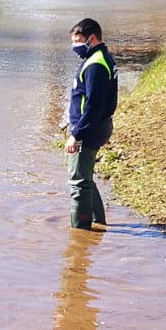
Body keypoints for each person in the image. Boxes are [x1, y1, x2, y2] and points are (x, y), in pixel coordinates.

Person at [65, 17, 117, 230]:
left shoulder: (96, 64)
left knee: (78, 182)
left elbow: (93, 106)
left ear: (92, 38)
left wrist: (76, 134)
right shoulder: (100, 58)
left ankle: (80, 232)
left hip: (89, 130)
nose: (74, 46)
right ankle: (99, 222)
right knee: (85, 176)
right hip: (96, 126)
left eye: (78, 41)